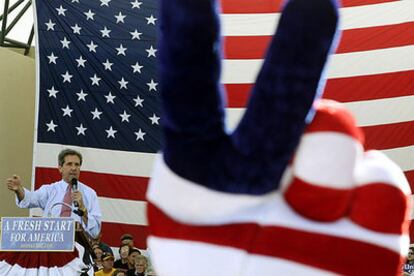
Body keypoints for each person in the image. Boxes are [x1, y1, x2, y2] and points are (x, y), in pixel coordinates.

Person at [5, 148, 102, 239]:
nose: (74, 168)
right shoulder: (49, 190)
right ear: (60, 168)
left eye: (77, 165)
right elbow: (29, 199)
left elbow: (95, 231)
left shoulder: (90, 193)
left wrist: (83, 209)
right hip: (51, 244)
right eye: (69, 164)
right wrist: (19, 190)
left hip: (78, 248)